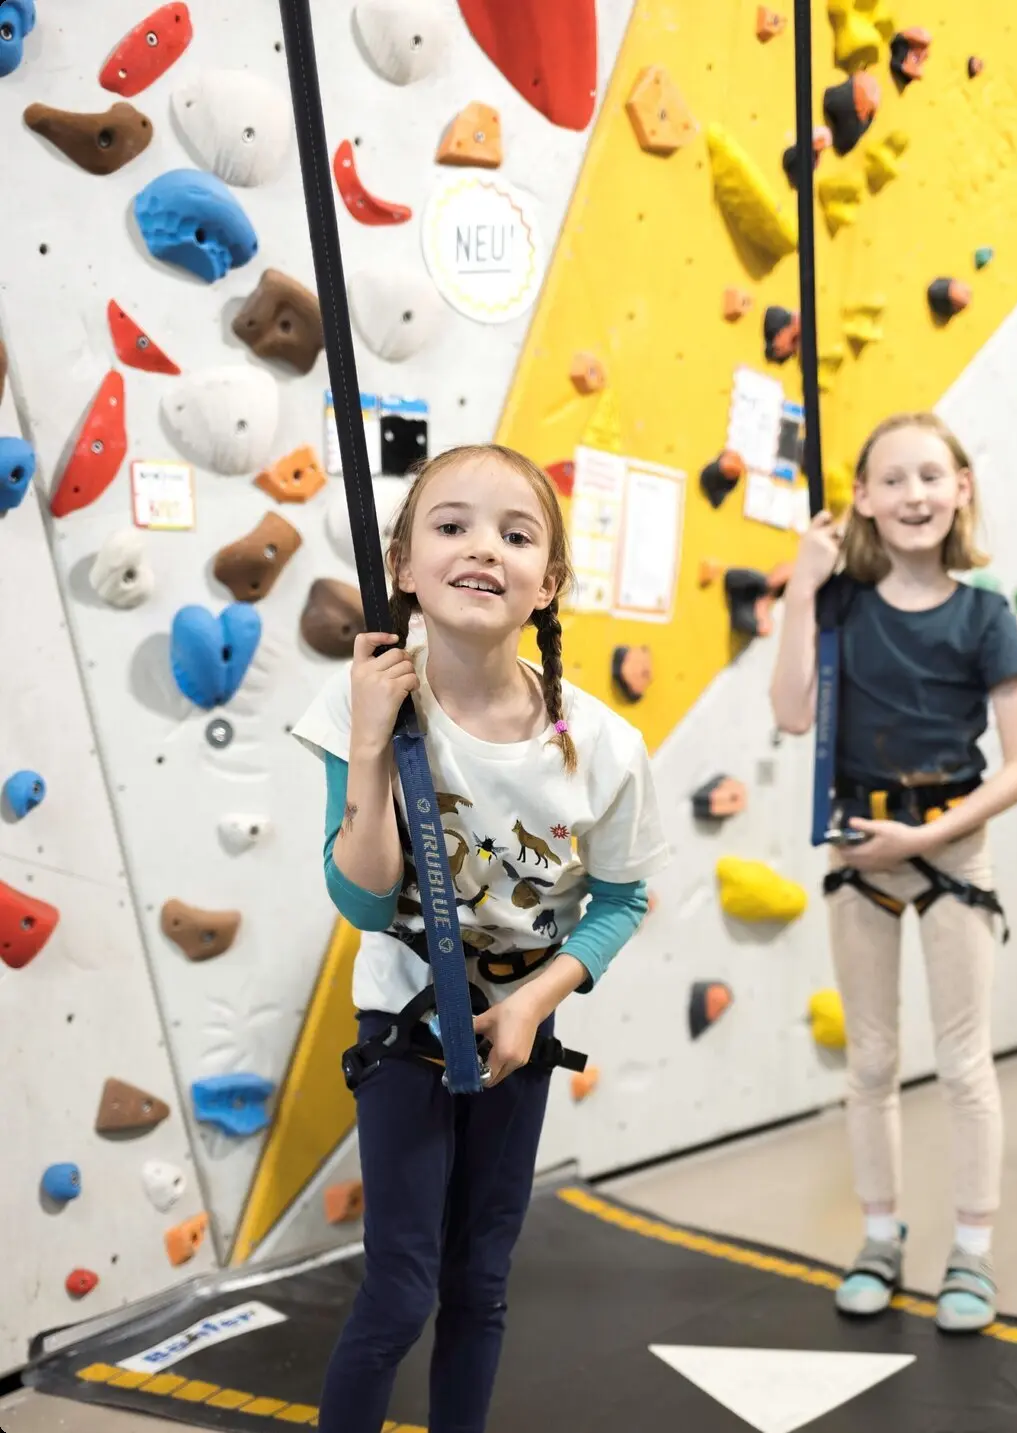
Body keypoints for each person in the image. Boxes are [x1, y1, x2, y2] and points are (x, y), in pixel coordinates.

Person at [291, 443, 670, 1431]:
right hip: (407, 1014)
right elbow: (366, 900)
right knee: (402, 1288)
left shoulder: (603, 745)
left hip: (520, 1024)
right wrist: (373, 742)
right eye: (451, 525)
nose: (482, 548)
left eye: (515, 533)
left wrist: (534, 1003)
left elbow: (623, 899)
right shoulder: (365, 702)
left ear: (547, 583)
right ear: (404, 565)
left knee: (482, 1281)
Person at [770, 412, 1017, 1333]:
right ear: (864, 499)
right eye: (894, 479)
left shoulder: (984, 615)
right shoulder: (840, 601)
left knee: (964, 1062)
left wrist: (926, 843)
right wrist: (803, 590)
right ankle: (879, 1236)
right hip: (861, 841)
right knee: (873, 1060)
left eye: (932, 475)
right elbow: (794, 714)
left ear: (961, 486)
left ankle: (972, 1253)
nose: (915, 494)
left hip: (950, 842)